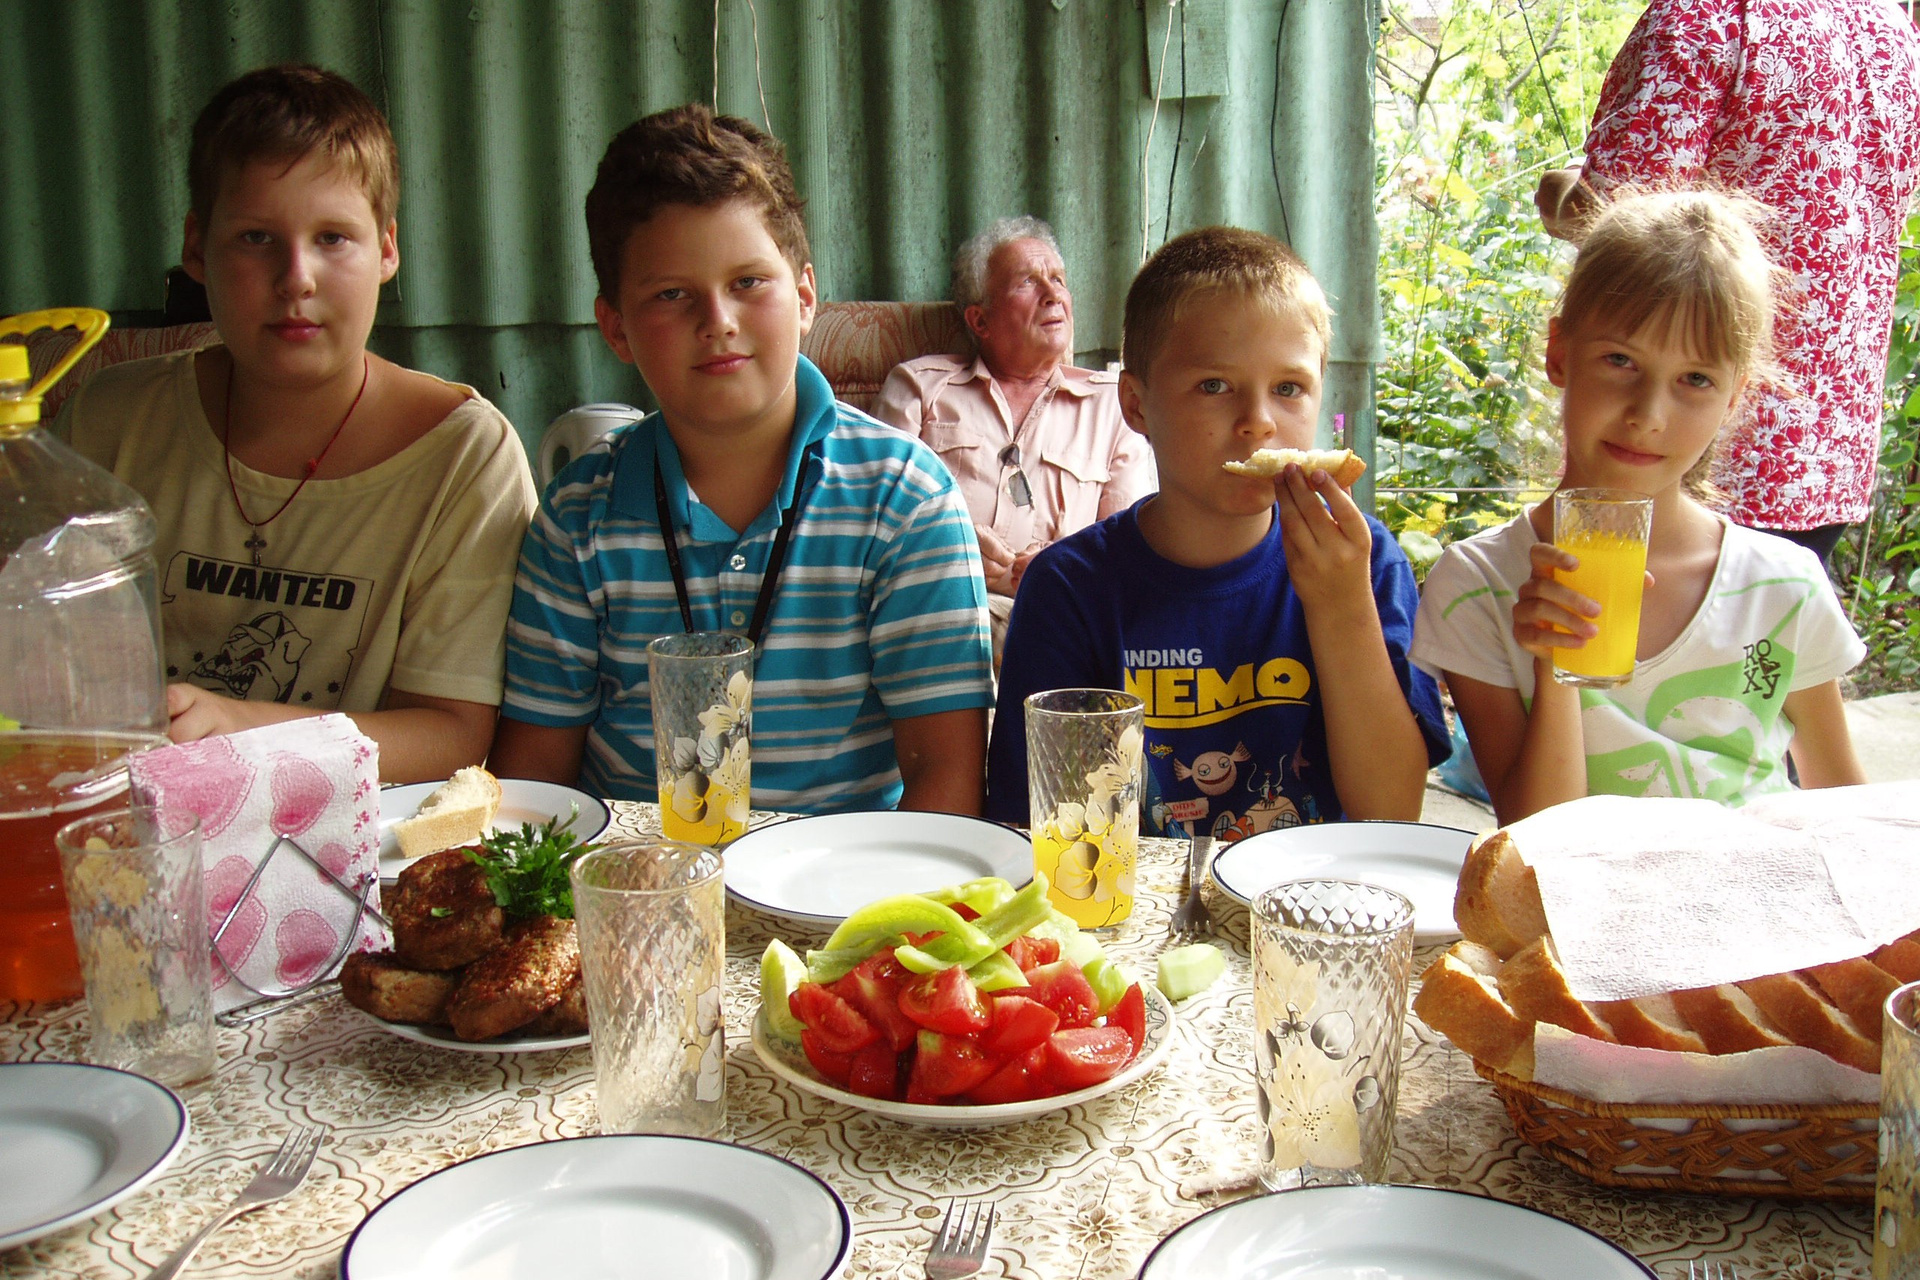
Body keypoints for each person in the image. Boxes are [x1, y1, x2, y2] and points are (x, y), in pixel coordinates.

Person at [489, 104, 992, 814]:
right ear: (616, 328)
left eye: (749, 282)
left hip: (849, 876)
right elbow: (534, 784)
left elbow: (947, 781)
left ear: (806, 297)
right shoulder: (576, 519)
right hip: (640, 874)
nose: (718, 321)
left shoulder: (905, 499)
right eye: (672, 294)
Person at [60, 65, 536, 783]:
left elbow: (453, 737)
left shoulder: (465, 457)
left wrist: (238, 732)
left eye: (333, 238)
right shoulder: (110, 421)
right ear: (197, 247)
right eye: (256, 237)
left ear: (387, 249)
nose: (296, 278)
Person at [1414, 191, 1867, 825]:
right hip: (1575, 885)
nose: (1648, 415)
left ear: (1735, 397)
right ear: (1560, 353)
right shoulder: (1478, 585)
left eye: (1695, 379)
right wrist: (1555, 666)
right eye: (1620, 360)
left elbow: (1845, 809)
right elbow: (1536, 834)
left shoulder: (1782, 585)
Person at [986, 227, 1448, 841]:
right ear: (1137, 405)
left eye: (1288, 388)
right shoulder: (1070, 588)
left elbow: (1389, 813)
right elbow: (1042, 828)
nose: (1258, 422)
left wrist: (1341, 609)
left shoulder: (1362, 562)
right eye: (1214, 386)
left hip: (1310, 892)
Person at [1534, 0, 1920, 562]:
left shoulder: (1703, 17)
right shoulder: (1892, 35)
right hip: (1826, 461)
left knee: (1605, 614)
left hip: (1688, 455)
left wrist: (1559, 195)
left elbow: (1620, 228)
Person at [872, 217, 1156, 658]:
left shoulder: (1113, 405)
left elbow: (1134, 547)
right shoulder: (920, 388)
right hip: (945, 609)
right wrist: (958, 550)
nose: (1053, 294)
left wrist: (1056, 569)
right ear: (980, 320)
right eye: (1028, 281)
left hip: (1066, 610)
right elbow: (876, 523)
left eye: (1058, 280)